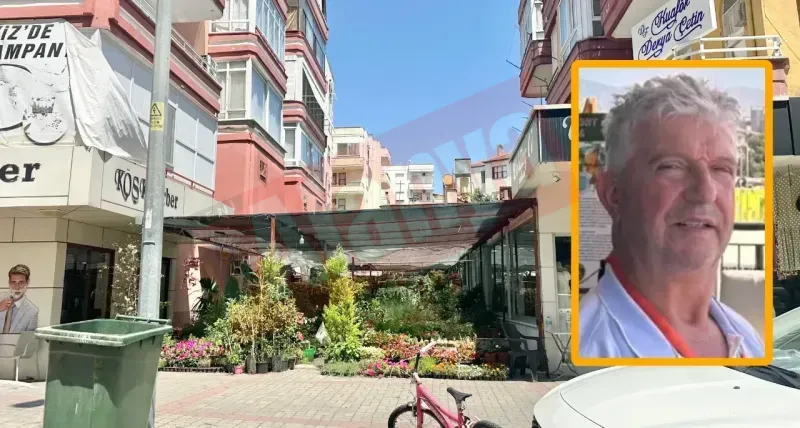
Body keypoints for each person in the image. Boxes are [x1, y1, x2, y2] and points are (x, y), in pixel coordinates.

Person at [579, 74, 764, 359]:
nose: (706, 192)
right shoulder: (591, 347)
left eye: (721, 169)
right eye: (672, 166)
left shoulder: (747, 339)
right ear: (614, 193)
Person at [0, 264, 39, 334]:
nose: (17, 287)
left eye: (21, 282)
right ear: (9, 283)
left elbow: (28, 339)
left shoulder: (32, 311)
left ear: (27, 283)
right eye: (13, 282)